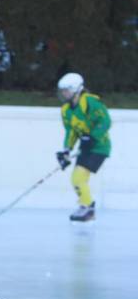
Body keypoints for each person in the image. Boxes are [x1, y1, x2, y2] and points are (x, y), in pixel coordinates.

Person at [55, 73, 112, 222]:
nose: (63, 93)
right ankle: (84, 205)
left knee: (79, 177)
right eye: (62, 90)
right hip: (86, 147)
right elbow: (71, 131)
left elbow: (105, 121)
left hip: (99, 146)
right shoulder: (66, 110)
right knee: (76, 179)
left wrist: (92, 136)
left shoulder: (90, 102)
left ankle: (88, 208)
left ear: (76, 89)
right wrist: (66, 150)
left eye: (66, 90)